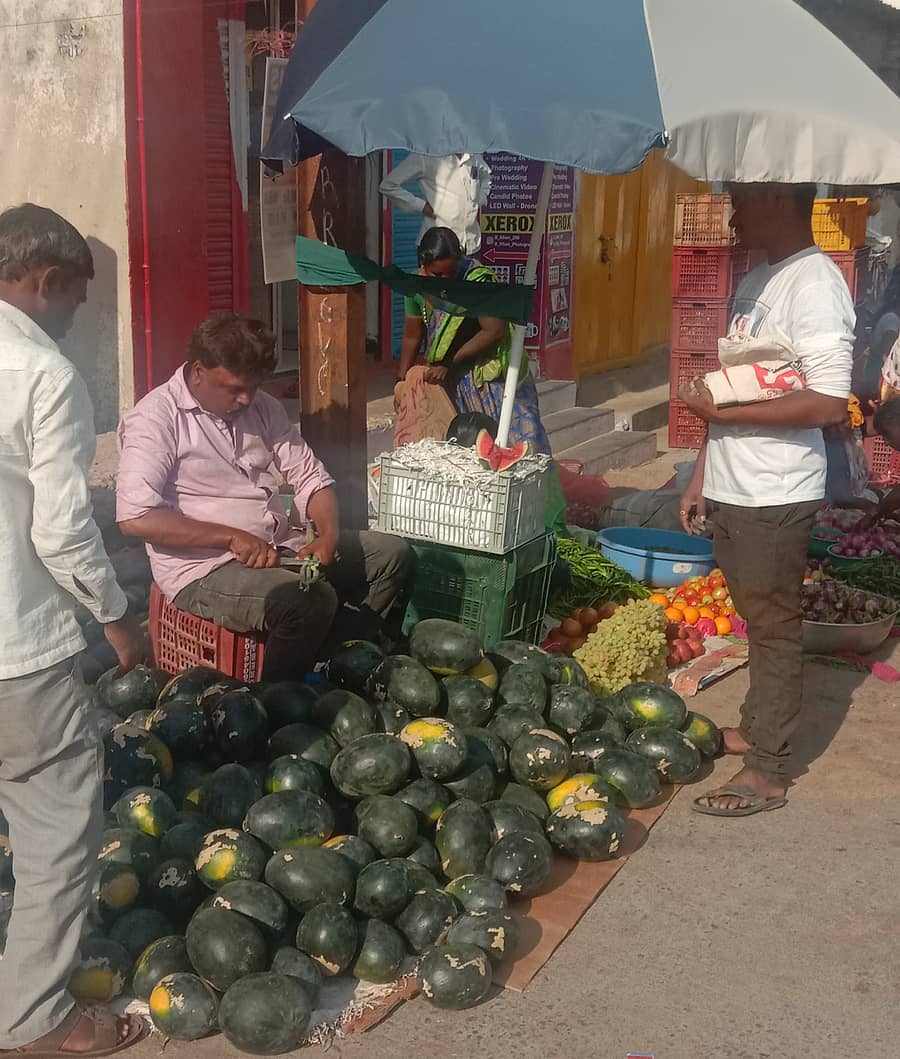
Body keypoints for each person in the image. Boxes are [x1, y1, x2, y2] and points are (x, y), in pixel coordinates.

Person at [0, 204, 147, 1055]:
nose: (74, 319)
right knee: (57, 831)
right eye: (76, 302)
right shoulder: (42, 372)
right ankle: (35, 1020)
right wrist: (118, 619)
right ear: (47, 283)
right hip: (18, 649)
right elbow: (60, 531)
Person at [678, 183, 854, 818]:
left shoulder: (815, 283)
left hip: (774, 490)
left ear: (780, 200)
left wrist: (722, 412)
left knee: (775, 628)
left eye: (742, 201)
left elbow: (830, 403)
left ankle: (769, 770)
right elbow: (727, 394)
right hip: (733, 481)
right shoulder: (758, 277)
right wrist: (703, 471)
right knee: (756, 618)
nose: (730, 215)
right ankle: (755, 729)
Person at [116, 314, 409, 682]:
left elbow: (309, 477)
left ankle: (337, 661)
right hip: (205, 569)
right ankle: (274, 704)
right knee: (309, 601)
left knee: (390, 555)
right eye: (235, 388)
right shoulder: (155, 419)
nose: (246, 399)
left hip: (280, 546)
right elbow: (136, 518)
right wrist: (230, 537)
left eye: (254, 387)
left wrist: (328, 536)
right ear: (197, 371)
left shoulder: (263, 407)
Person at [397, 227, 552, 456]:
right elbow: (412, 335)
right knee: (462, 450)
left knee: (517, 445)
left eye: (452, 271)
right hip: (451, 380)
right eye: (437, 275)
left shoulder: (478, 281)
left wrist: (448, 362)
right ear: (423, 266)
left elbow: (493, 330)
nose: (446, 280)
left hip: (490, 377)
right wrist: (402, 381)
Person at [380, 153, 491, 257]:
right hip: (437, 249)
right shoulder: (425, 155)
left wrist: (480, 199)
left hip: (472, 245)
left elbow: (486, 176)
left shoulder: (473, 155)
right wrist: (420, 206)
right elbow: (388, 185)